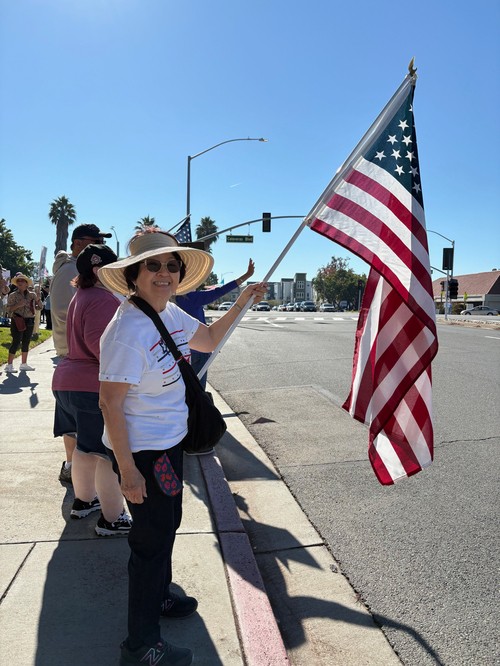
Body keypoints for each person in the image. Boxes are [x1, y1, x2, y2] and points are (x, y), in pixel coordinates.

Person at [97, 229, 267, 666]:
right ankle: (141, 645)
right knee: (150, 542)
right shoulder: (126, 330)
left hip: (169, 444)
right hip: (143, 453)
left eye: (172, 265)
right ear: (134, 274)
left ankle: (160, 595)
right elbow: (109, 404)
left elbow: (206, 340)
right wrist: (127, 471)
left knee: (168, 522)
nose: (165, 273)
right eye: (153, 265)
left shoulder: (168, 311)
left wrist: (242, 301)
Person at [52, 244, 132, 536]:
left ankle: (84, 501)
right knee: (107, 454)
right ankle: (112, 518)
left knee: (84, 449)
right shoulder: (102, 299)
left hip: (67, 381)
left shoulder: (81, 295)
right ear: (99, 271)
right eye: (115, 269)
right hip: (90, 385)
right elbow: (102, 346)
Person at [50, 223, 112, 483]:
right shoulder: (72, 272)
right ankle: (84, 487)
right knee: (96, 450)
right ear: (77, 243)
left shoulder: (78, 278)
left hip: (72, 365)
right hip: (82, 363)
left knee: (77, 434)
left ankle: (73, 471)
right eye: (94, 240)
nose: (99, 243)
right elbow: (65, 315)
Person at [175, 258, 255, 388]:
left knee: (184, 388)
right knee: (198, 390)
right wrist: (246, 276)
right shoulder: (191, 297)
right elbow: (220, 291)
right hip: (198, 351)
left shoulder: (172, 301)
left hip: (181, 352)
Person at [4, 274, 42, 372]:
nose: (20, 282)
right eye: (18, 281)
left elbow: (39, 307)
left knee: (26, 342)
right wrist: (18, 305)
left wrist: (38, 300)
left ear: (26, 284)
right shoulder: (13, 295)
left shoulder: (32, 295)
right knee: (16, 341)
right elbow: (8, 309)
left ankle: (24, 364)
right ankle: (9, 365)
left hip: (29, 320)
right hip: (17, 320)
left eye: (22, 281)